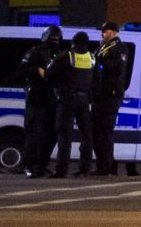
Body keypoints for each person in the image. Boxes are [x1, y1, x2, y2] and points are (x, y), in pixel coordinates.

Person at [50, 31, 97, 177]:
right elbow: (97, 80)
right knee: (86, 136)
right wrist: (90, 97)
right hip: (84, 101)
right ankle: (85, 169)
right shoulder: (92, 57)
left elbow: (50, 73)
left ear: (73, 42)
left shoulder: (67, 56)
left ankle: (61, 170)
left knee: (65, 135)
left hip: (67, 99)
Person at [16, 26, 61, 177]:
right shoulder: (34, 52)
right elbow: (21, 71)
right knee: (33, 133)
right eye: (53, 38)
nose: (55, 41)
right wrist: (37, 70)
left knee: (50, 134)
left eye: (57, 38)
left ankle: (42, 164)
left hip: (52, 98)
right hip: (36, 97)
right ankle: (29, 164)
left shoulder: (59, 54)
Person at [91, 22, 135, 176]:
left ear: (114, 32)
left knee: (104, 132)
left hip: (110, 95)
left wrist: (99, 64)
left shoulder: (118, 48)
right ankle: (108, 164)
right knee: (99, 132)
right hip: (102, 95)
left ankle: (105, 167)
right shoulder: (104, 47)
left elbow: (114, 67)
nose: (103, 34)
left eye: (105, 31)